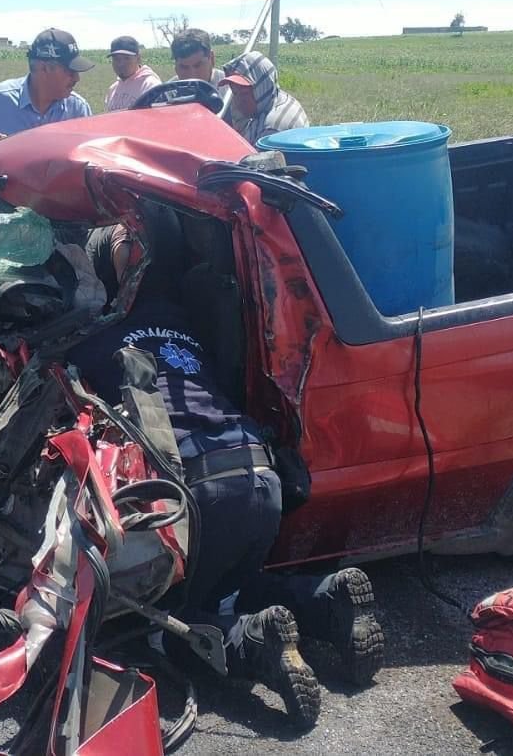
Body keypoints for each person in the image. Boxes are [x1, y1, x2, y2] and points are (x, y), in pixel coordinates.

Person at [63, 223, 385, 727]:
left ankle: (255, 642)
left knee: (172, 623)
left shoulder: (97, 339)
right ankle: (326, 599)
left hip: (201, 491)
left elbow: (66, 397)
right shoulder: (185, 323)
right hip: (260, 471)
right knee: (237, 584)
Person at [0, 28, 93, 153]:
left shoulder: (78, 109)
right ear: (44, 68)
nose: (77, 78)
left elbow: (89, 154)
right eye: (70, 71)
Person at [220, 51, 311, 146]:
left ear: (262, 87)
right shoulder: (275, 99)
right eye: (235, 92)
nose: (238, 101)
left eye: (244, 93)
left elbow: (254, 159)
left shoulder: (273, 131)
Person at [103, 35, 162, 112]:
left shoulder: (150, 86)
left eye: (126, 58)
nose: (121, 64)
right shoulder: (112, 90)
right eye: (116, 59)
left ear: (138, 58)